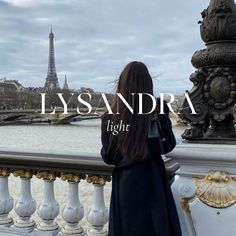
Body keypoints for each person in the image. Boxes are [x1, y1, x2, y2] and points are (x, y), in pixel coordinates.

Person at [100, 61, 182, 236]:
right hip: (152, 180)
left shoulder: (111, 114)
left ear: (121, 84)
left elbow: (108, 157)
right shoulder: (158, 107)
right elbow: (168, 145)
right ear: (148, 84)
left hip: (126, 184)